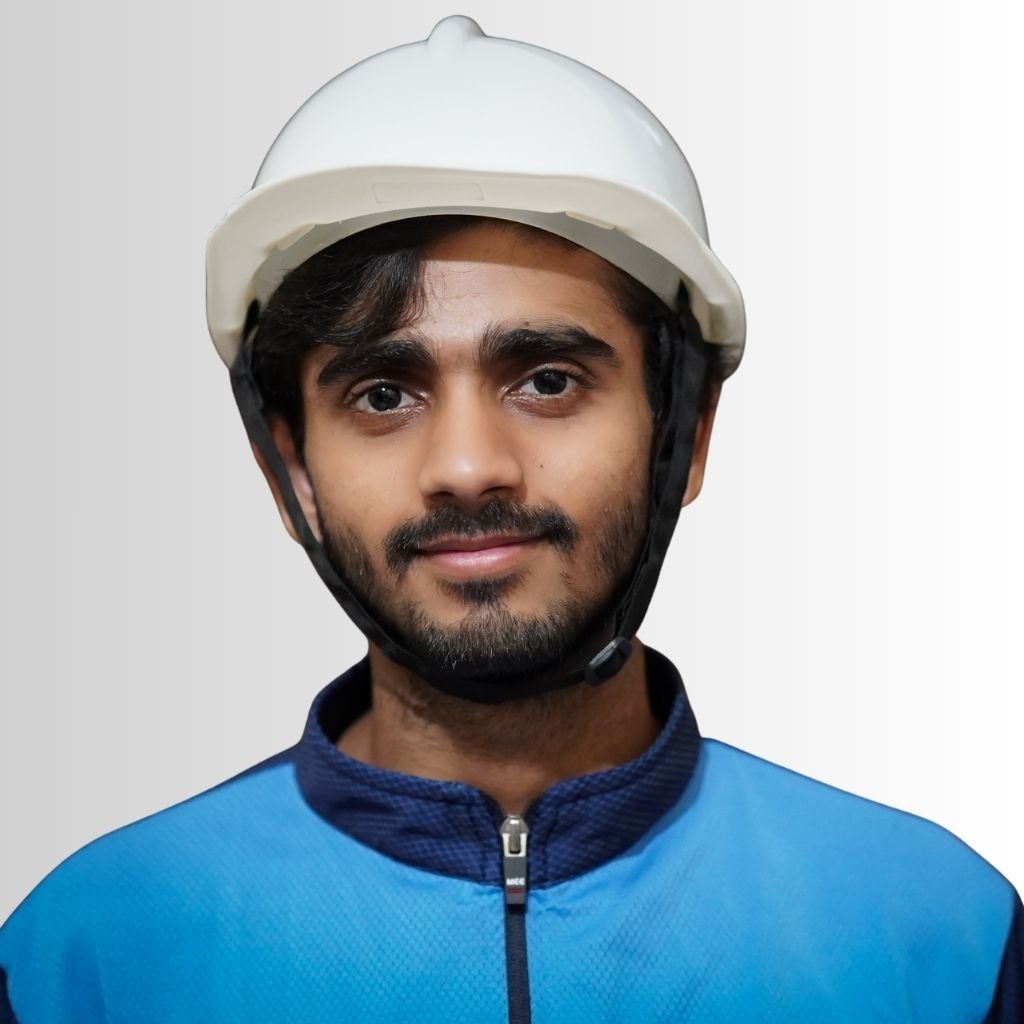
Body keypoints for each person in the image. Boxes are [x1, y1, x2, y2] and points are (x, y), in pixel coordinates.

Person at [0, 14, 1020, 1022]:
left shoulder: (937, 937)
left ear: (688, 432)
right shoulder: (88, 957)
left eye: (547, 379)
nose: (466, 467)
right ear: (289, 471)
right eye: (383, 394)